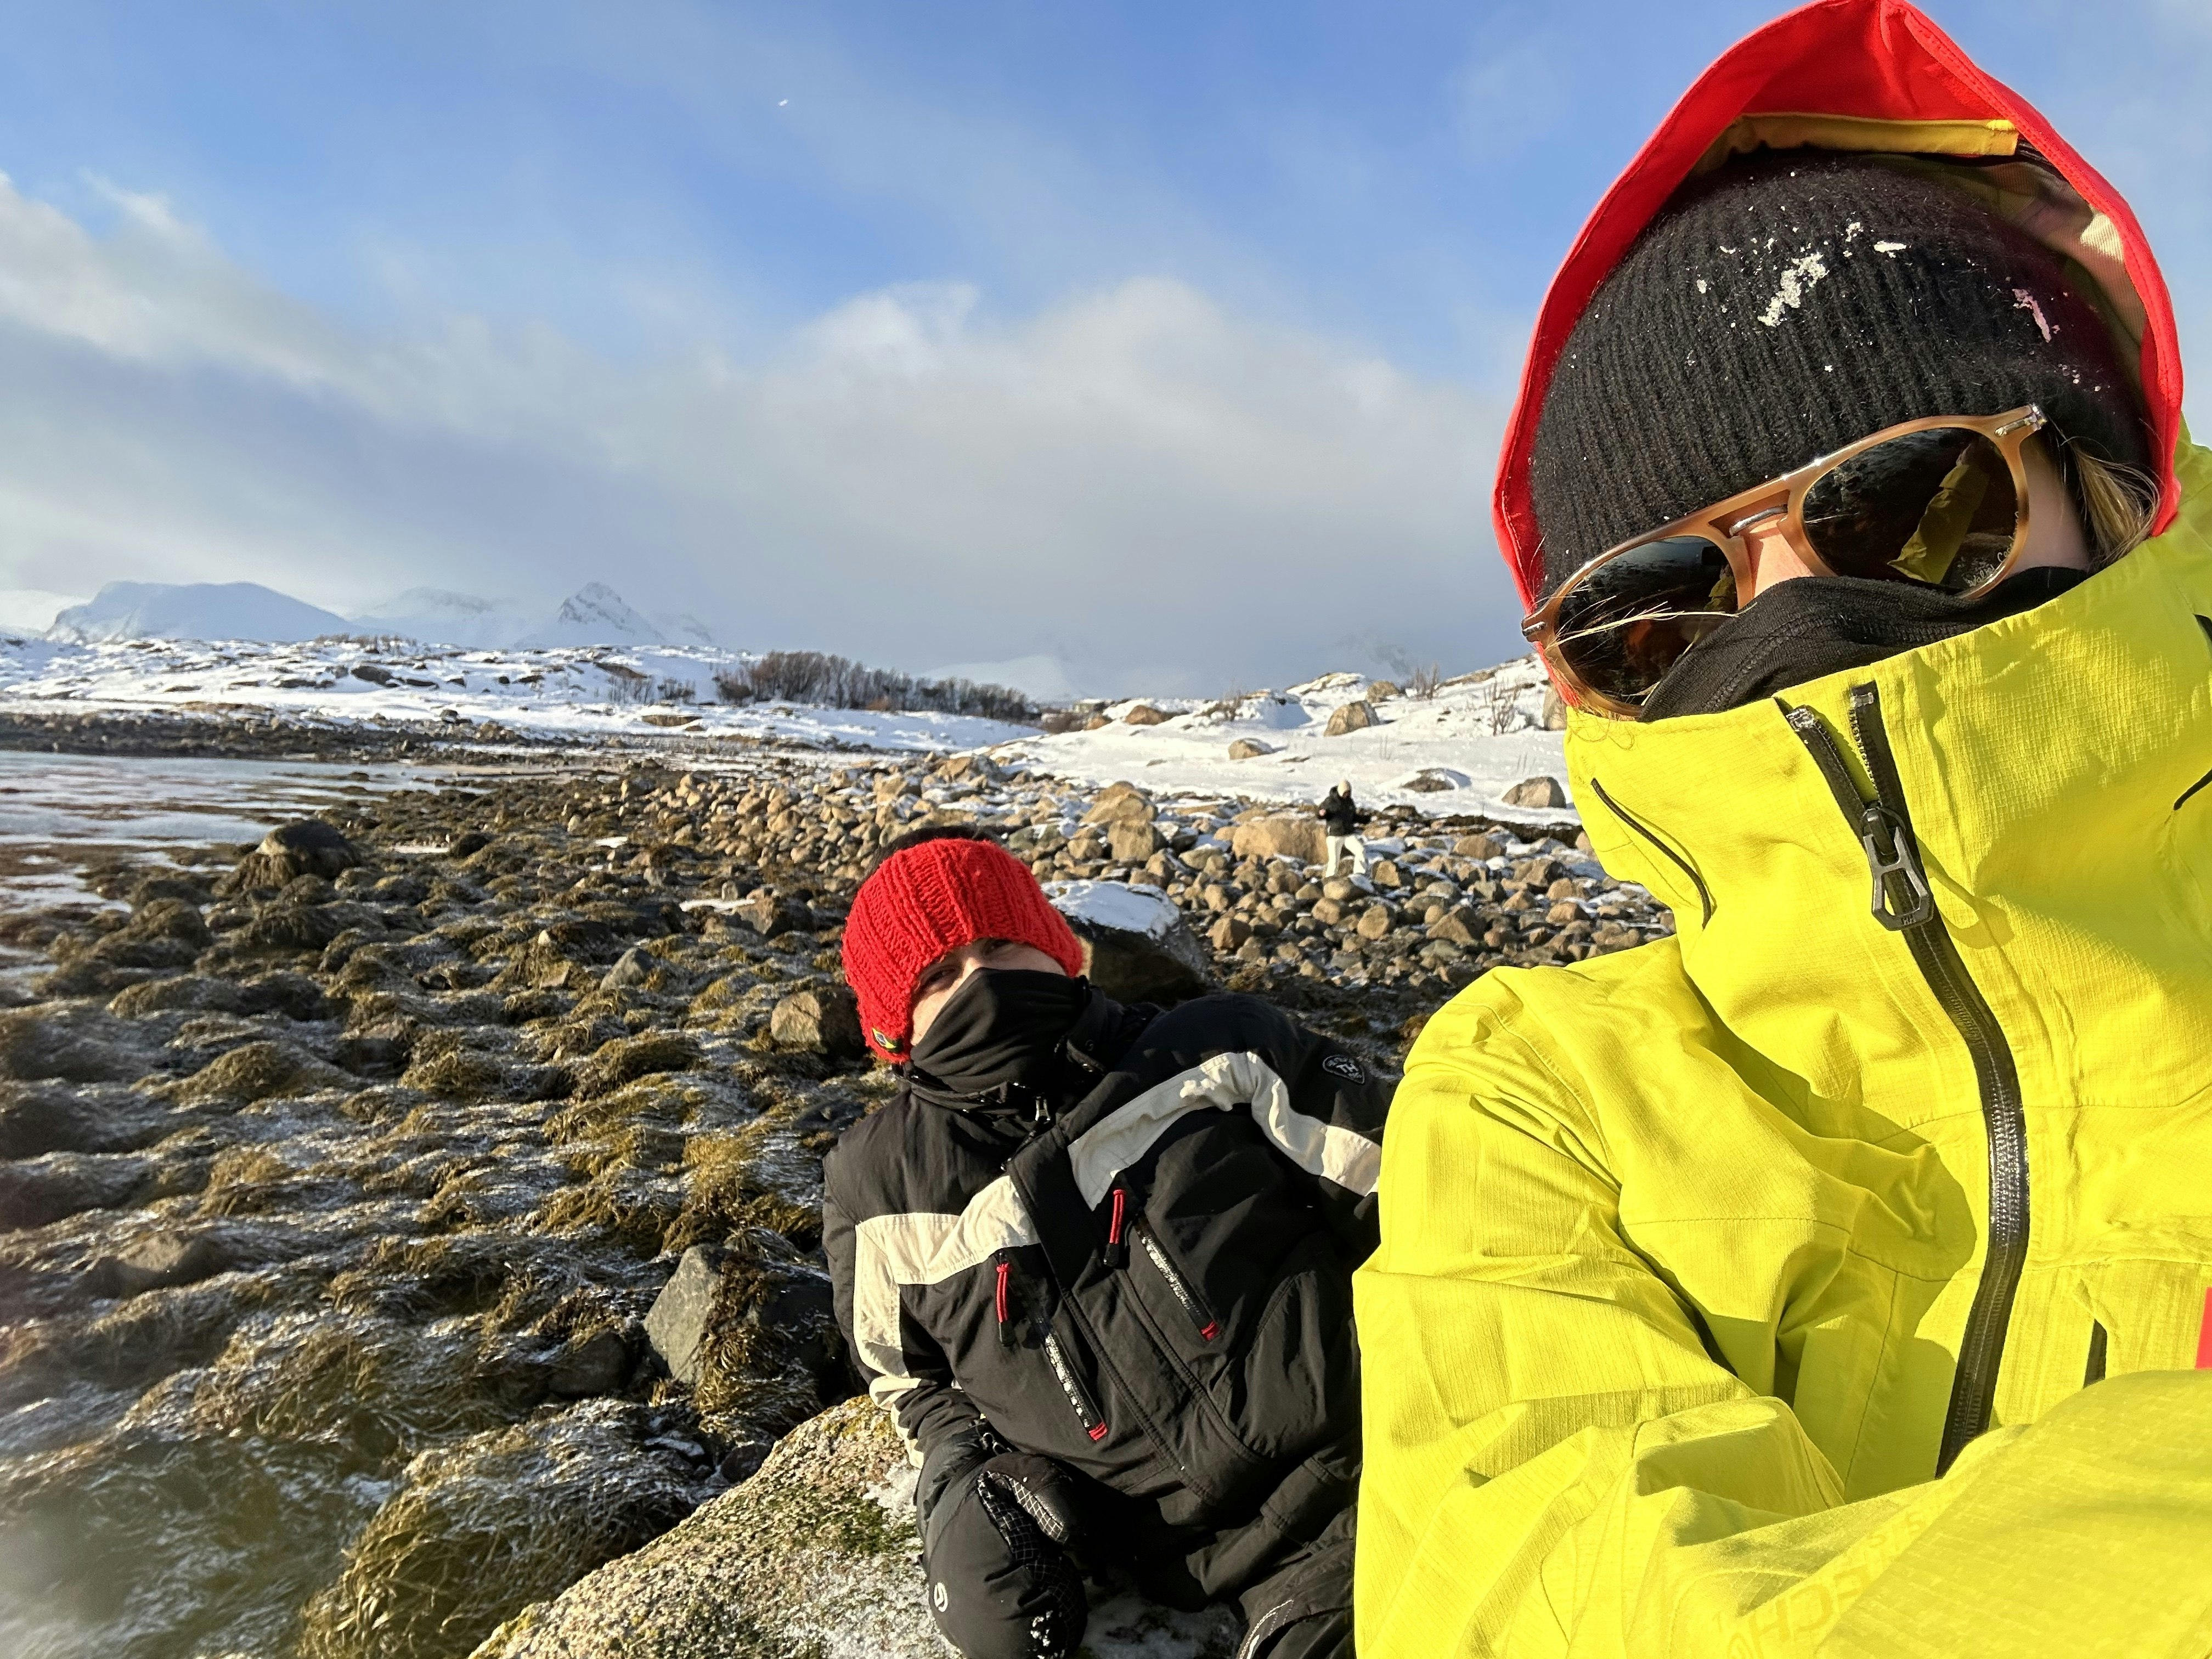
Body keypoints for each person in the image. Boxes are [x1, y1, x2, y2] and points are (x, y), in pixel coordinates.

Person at [1356, 2, 2212, 1654]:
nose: (1793, 617)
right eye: (1657, 612)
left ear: (2113, 499)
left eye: (1906, 502)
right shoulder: (1543, 1101)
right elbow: (1556, 1584)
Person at [822, 826, 1393, 1659]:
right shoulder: (876, 1190)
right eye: (939, 976)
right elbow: (909, 1379)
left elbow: (1419, 1181)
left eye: (1004, 945)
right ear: (892, 1033)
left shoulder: (1215, 1047)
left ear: (1062, 952)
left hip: (1386, 1457)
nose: (981, 979)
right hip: (1187, 1566)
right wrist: (962, 1488)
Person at [1314, 781, 1364, 880]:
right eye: (1345, 792)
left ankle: (1359, 876)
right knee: (1334, 861)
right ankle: (1329, 881)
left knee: (1361, 851)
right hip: (1334, 835)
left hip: (1348, 834)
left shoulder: (1350, 802)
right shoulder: (1330, 801)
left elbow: (1353, 817)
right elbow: (1319, 813)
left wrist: (1365, 819)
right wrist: (1321, 814)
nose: (1347, 794)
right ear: (1341, 791)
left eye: (1349, 792)